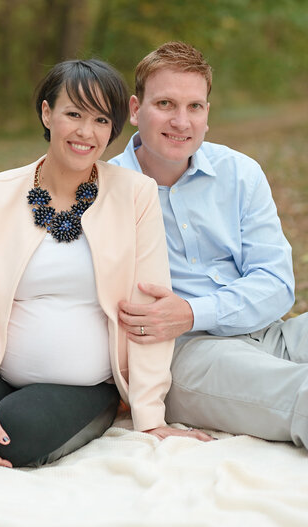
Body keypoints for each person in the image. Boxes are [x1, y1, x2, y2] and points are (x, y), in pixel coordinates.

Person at [0, 58, 211, 471]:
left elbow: (148, 311)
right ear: (47, 113)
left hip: (83, 384)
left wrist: (150, 415)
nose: (86, 132)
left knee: (16, 435)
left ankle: (89, 415)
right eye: (74, 114)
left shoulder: (134, 194)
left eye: (102, 119)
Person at [110, 41, 308, 448]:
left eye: (194, 107)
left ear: (207, 114)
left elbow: (276, 284)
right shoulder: (104, 191)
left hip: (271, 332)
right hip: (187, 356)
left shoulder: (240, 173)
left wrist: (192, 310)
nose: (181, 121)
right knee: (297, 392)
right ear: (135, 110)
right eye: (165, 103)